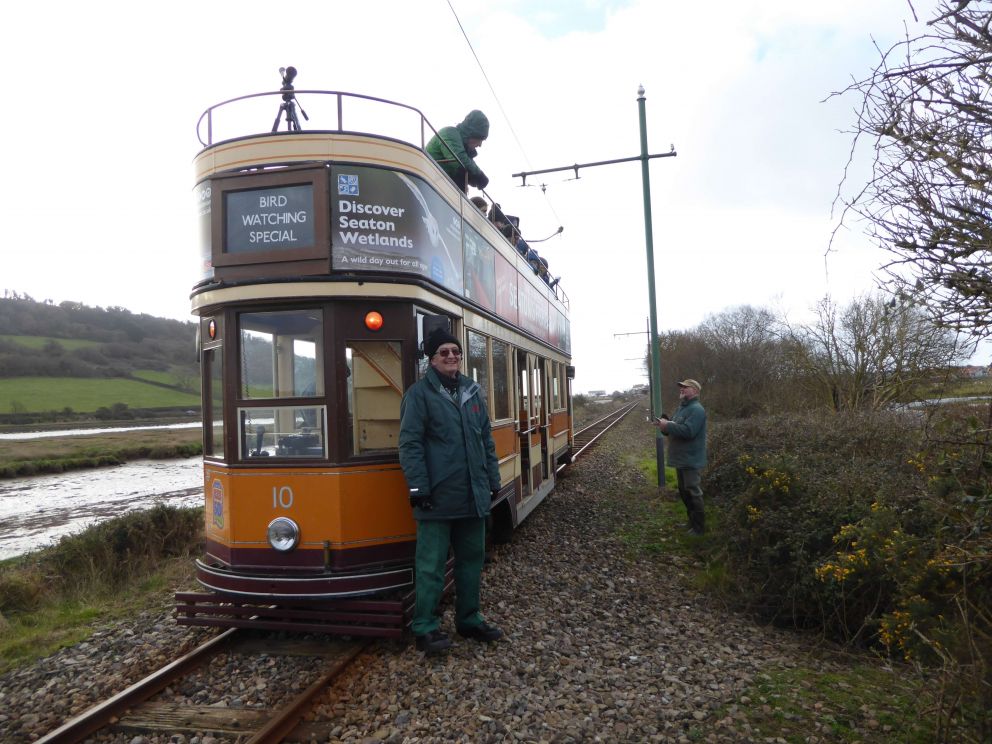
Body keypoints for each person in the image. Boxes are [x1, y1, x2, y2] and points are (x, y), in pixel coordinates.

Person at [398, 327, 504, 655]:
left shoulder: (473, 391)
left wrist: (492, 481)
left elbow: (485, 440)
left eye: (455, 351)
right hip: (437, 497)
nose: (452, 356)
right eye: (444, 352)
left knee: (471, 561)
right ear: (432, 359)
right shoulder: (418, 395)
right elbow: (410, 443)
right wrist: (418, 488)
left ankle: (469, 619)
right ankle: (425, 627)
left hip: (472, 495)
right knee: (430, 566)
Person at [654, 379, 707, 535]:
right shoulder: (682, 409)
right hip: (681, 459)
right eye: (681, 387)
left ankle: (699, 528)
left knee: (693, 492)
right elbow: (675, 429)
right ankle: (691, 522)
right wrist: (663, 426)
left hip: (691, 459)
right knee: (684, 492)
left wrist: (668, 425)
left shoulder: (697, 410)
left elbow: (689, 431)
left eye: (685, 387)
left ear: (695, 391)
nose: (681, 389)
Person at [426, 110, 490, 193]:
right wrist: (479, 175)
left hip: (438, 186)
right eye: (480, 139)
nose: (480, 145)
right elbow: (459, 160)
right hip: (429, 180)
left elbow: (466, 168)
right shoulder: (449, 133)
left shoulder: (463, 149)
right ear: (472, 134)